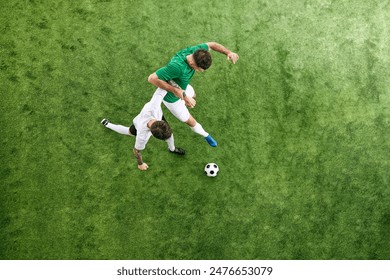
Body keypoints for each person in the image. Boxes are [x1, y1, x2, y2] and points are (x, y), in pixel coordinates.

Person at [147, 42, 239, 147]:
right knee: (190, 121)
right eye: (199, 69)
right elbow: (151, 78)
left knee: (193, 96)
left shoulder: (197, 51)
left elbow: (212, 45)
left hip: (184, 88)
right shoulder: (177, 67)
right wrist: (176, 91)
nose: (201, 71)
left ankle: (187, 100)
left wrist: (228, 52)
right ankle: (206, 135)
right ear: (192, 64)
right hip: (172, 99)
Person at [101, 88, 184, 171]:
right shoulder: (142, 135)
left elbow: (164, 86)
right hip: (138, 124)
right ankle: (107, 124)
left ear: (162, 121)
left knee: (170, 135)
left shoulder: (154, 105)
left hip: (155, 117)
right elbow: (136, 150)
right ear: (152, 134)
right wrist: (140, 164)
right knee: (128, 131)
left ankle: (172, 149)